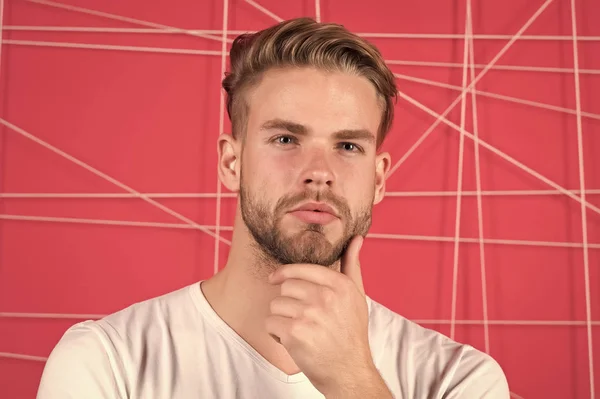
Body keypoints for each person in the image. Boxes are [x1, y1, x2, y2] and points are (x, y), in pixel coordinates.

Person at [37, 17, 509, 399]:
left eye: (347, 145)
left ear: (379, 177)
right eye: (286, 139)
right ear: (231, 162)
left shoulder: (459, 381)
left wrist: (352, 382)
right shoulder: (106, 363)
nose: (319, 171)